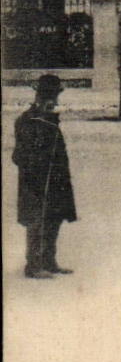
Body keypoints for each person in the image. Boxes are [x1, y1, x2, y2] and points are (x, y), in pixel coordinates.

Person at [13, 74, 76, 279]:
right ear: (41, 97)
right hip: (36, 182)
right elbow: (19, 155)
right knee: (37, 220)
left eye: (55, 97)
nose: (55, 101)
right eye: (51, 97)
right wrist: (36, 166)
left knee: (53, 218)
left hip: (56, 179)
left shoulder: (49, 119)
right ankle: (34, 265)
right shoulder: (27, 120)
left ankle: (49, 261)